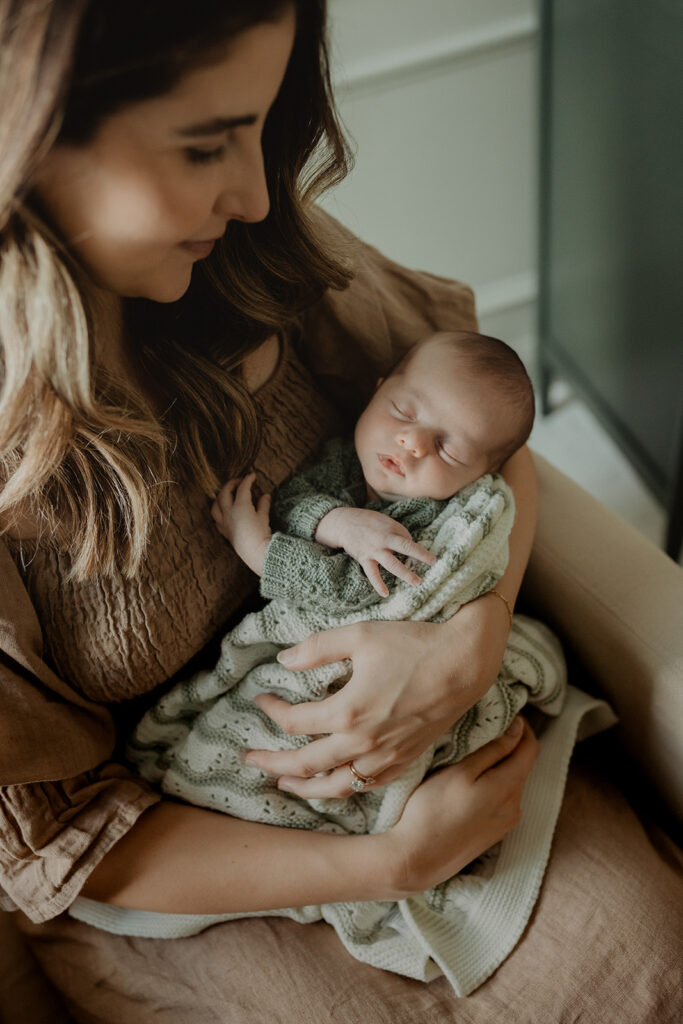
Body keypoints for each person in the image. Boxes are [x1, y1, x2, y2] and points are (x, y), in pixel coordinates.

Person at [4, 0, 650, 1018]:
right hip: (186, 844)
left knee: (646, 967)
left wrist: (469, 637)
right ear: (24, 138)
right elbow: (68, 844)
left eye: (260, 129)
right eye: (207, 143)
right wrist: (393, 859)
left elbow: (486, 443)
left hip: (422, 738)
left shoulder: (254, 254)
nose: (260, 194)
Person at [108, 328, 580, 989]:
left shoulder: (452, 520)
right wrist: (339, 523)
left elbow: (350, 597)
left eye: (447, 447)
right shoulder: (344, 463)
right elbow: (301, 498)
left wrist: (258, 551)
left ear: (481, 474)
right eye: (407, 413)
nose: (412, 443)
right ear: (379, 386)